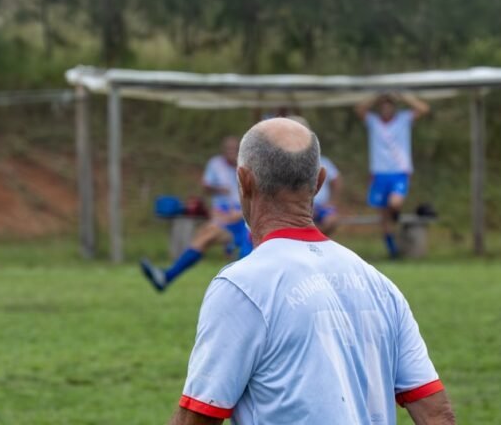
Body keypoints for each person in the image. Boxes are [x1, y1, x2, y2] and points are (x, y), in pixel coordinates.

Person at [169, 118, 454, 425]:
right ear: (319, 181)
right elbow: (436, 414)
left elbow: (195, 419)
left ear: (244, 181)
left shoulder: (241, 288)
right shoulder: (380, 285)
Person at [140, 136, 252, 292]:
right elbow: (206, 187)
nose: (231, 152)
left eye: (234, 149)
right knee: (204, 235)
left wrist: (241, 212)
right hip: (224, 215)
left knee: (213, 239)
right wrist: (218, 198)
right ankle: (167, 276)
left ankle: (167, 277)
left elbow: (258, 198)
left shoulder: (249, 166)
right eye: (228, 149)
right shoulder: (215, 164)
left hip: (245, 219)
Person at [355, 92, 429, 258]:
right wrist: (376, 95)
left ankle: (396, 215)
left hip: (399, 171)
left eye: (390, 106)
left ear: (394, 108)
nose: (386, 109)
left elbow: (423, 109)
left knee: (394, 203)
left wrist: (404, 96)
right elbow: (359, 109)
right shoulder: (374, 122)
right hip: (379, 173)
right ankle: (392, 250)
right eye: (384, 106)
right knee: (383, 216)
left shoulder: (403, 119)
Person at [287, 115, 342, 234]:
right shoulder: (283, 163)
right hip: (294, 209)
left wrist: (332, 202)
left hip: (320, 207)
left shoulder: (322, 161)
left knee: (331, 220)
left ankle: (316, 240)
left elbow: (336, 180)